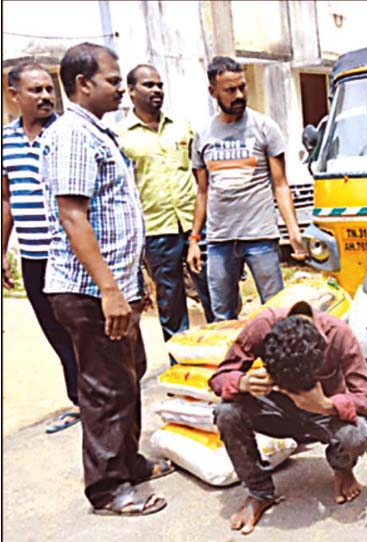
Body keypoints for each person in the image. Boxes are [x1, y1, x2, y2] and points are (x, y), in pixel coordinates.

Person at [40, 42, 174, 516]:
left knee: (127, 376)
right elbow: (73, 216)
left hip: (116, 286)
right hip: (90, 290)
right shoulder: (74, 134)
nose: (122, 89)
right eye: (114, 81)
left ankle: (128, 462)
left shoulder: (98, 132)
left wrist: (132, 285)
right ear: (83, 84)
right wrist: (111, 291)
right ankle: (108, 489)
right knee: (103, 389)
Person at [210, 301, 367, 535]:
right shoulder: (261, 326)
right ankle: (260, 492)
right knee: (226, 412)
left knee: (357, 433)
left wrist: (327, 405)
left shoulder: (338, 334)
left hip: (322, 415)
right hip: (276, 412)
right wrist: (242, 382)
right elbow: (218, 377)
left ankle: (342, 468)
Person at [187, 56, 308, 321]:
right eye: (230, 90)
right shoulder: (204, 134)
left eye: (242, 87)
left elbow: (280, 185)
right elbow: (203, 192)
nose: (239, 94)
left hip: (260, 236)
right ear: (213, 92)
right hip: (219, 240)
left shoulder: (265, 127)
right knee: (221, 316)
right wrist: (194, 240)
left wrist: (293, 230)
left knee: (277, 313)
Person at [1, 63, 82, 434]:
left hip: (70, 256)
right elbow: (6, 200)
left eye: (50, 89)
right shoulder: (5, 141)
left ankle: (100, 403)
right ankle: (80, 401)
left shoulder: (67, 134)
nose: (47, 96)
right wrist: (2, 251)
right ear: (13, 95)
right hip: (34, 257)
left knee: (84, 331)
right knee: (55, 333)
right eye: (36, 90)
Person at [116, 64, 214, 364]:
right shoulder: (120, 136)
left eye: (159, 84)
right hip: (156, 231)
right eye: (148, 85)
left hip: (195, 225)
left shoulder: (182, 127)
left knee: (214, 294)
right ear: (131, 91)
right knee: (171, 304)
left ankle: (224, 361)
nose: (156, 90)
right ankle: (182, 368)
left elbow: (201, 177)